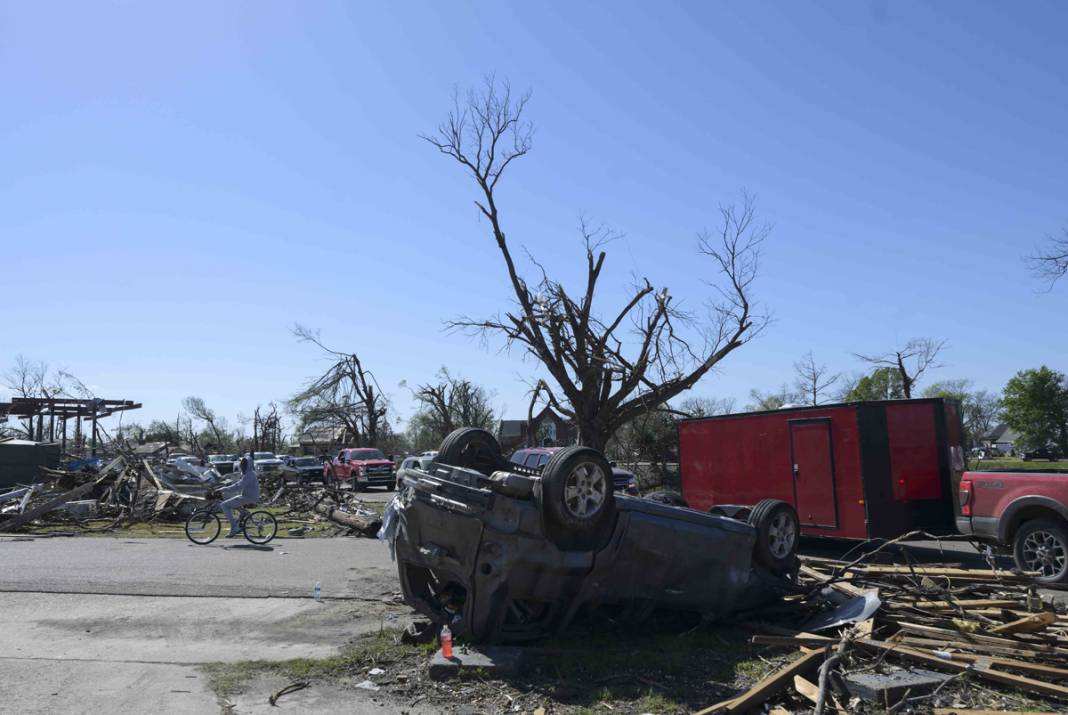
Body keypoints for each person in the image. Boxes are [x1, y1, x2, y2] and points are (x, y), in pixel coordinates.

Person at [221, 455, 260, 537]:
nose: (242, 466)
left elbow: (239, 486)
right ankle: (233, 530)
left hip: (248, 497)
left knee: (224, 505)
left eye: (244, 464)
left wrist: (224, 489)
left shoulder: (250, 474)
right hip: (247, 495)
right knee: (232, 501)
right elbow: (238, 483)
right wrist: (226, 487)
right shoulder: (249, 473)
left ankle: (234, 527)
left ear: (248, 465)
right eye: (241, 464)